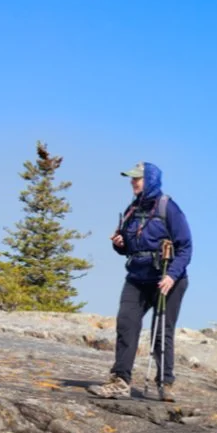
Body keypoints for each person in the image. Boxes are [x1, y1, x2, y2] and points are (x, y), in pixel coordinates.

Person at [88, 161, 192, 401]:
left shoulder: (169, 208)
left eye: (138, 178)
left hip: (167, 278)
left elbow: (185, 246)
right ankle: (120, 380)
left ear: (151, 180)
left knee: (161, 331)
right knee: (126, 323)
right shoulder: (132, 210)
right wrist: (120, 244)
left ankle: (165, 383)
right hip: (137, 276)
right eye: (132, 178)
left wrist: (171, 275)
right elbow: (129, 246)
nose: (133, 182)